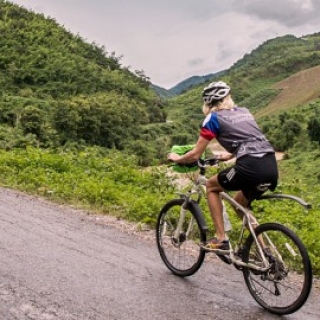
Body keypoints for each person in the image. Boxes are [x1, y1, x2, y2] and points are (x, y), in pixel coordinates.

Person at [167, 81, 278, 252]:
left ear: (208, 103)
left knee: (211, 186)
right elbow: (250, 139)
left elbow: (196, 154)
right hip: (270, 165)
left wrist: (177, 158)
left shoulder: (213, 118)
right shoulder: (245, 112)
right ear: (228, 98)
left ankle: (221, 238)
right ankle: (265, 251)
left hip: (250, 166)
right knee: (240, 204)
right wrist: (230, 155)